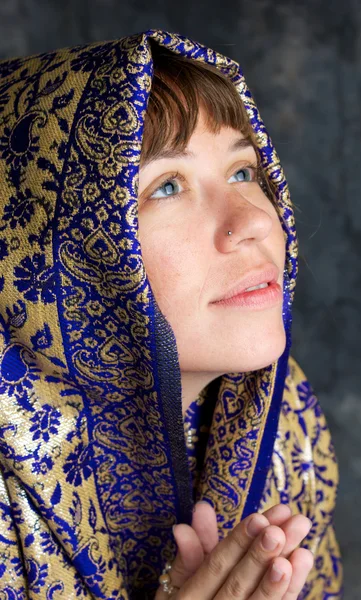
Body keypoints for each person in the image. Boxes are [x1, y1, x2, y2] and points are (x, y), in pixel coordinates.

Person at [0, 29, 343, 599]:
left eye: (243, 171)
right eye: (166, 187)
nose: (254, 221)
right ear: (47, 255)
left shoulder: (287, 426)